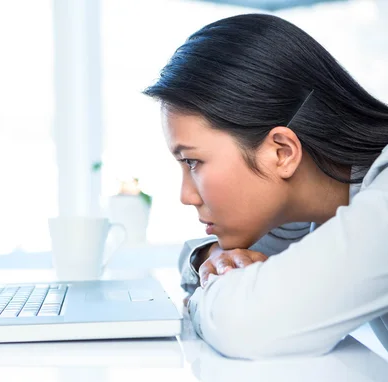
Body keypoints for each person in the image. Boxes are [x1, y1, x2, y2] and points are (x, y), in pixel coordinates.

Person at [143, 13, 388, 359]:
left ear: (282, 152)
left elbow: (241, 323)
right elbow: (195, 261)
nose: (186, 196)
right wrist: (213, 258)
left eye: (193, 162)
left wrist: (217, 285)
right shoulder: (312, 215)